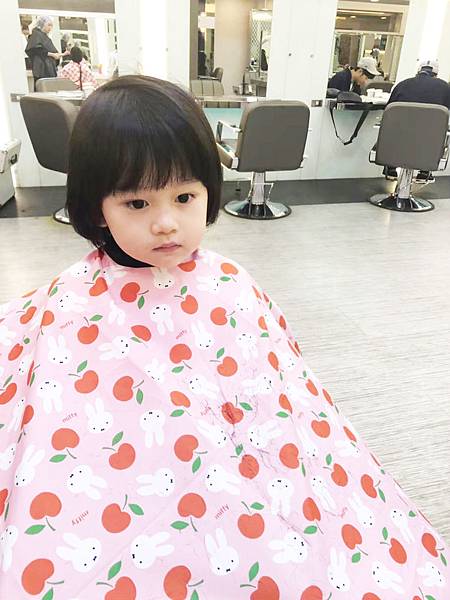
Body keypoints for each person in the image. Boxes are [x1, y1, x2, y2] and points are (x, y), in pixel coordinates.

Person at [1, 75, 449, 598]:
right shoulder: (71, 303)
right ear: (95, 205)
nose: (166, 223)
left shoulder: (231, 283)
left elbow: (285, 391)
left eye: (184, 196)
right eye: (137, 204)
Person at [383, 60, 450, 183]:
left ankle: (391, 167)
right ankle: (424, 171)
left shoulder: (402, 85)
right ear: (435, 75)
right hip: (428, 149)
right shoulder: (445, 88)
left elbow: (388, 111)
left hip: (396, 146)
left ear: (418, 72)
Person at [25, 16, 69, 90]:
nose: (50, 28)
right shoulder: (36, 35)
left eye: (51, 26)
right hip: (42, 69)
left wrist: (62, 54)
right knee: (43, 88)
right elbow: (37, 49)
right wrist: (53, 55)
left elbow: (49, 51)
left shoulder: (45, 37)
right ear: (42, 24)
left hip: (48, 68)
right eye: (49, 25)